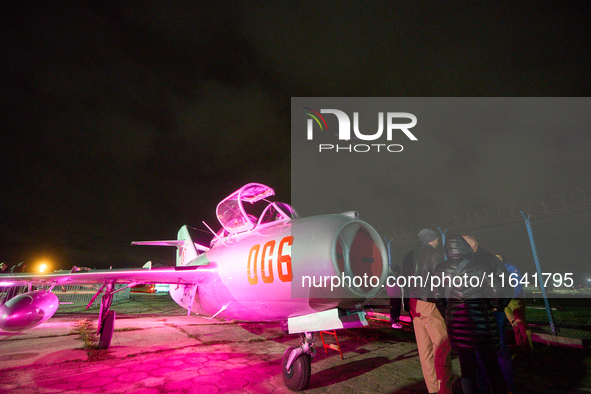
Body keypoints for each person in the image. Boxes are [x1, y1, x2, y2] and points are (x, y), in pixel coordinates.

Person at [434, 235, 508, 394]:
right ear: (464, 248)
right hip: (482, 325)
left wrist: (449, 313)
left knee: (467, 369)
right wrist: (495, 306)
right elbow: (497, 293)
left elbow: (438, 299)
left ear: (448, 250)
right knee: (492, 366)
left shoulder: (439, 269)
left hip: (457, 324)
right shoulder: (479, 266)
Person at [402, 229, 453, 394]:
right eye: (437, 238)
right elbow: (440, 284)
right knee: (442, 347)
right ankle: (444, 389)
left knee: (425, 351)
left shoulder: (408, 256)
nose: (438, 241)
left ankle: (432, 388)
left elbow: (405, 282)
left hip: (414, 304)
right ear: (433, 239)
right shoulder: (433, 255)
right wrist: (445, 307)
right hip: (429, 303)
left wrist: (407, 305)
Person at [462, 236, 514, 393]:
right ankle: (484, 386)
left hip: (489, 313)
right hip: (475, 313)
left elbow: (506, 285)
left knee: (498, 351)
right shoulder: (468, 261)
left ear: (472, 245)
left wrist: (496, 306)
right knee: (478, 352)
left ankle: (505, 387)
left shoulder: (488, 260)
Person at [499, 253, 533, 353]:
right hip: (505, 301)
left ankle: (528, 346)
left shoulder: (512, 269)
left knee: (520, 322)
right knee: (513, 323)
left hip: (514, 299)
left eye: (499, 258)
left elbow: (518, 284)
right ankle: (519, 344)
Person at [386, 264, 403, 329]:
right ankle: (394, 322)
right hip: (393, 295)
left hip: (396, 294)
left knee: (397, 308)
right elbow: (391, 285)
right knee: (394, 308)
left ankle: (396, 321)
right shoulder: (390, 276)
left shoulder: (394, 276)